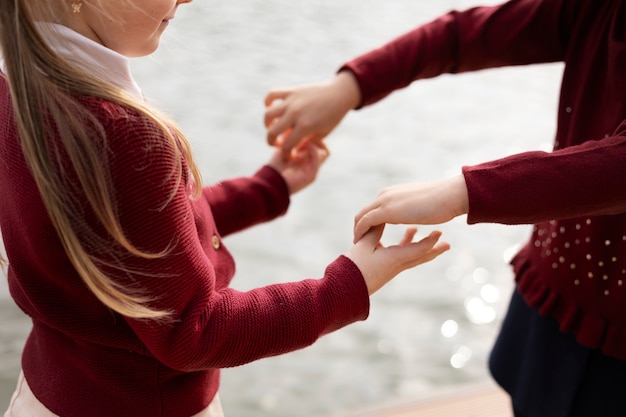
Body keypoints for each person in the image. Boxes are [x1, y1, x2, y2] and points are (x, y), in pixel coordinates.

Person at [0, 1, 451, 416]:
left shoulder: (14, 88)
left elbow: (135, 235)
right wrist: (351, 283)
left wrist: (266, 188)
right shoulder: (124, 134)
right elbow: (194, 332)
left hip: (45, 395)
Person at [263, 0, 626, 416]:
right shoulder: (597, 9)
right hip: (553, 297)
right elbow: (465, 35)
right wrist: (350, 86)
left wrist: (462, 192)